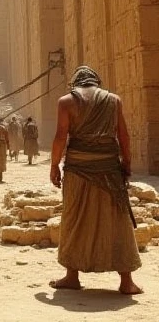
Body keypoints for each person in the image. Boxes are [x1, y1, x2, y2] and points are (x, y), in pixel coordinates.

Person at [50, 66, 142, 295]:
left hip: (77, 169)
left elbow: (61, 136)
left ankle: (72, 276)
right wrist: (127, 164)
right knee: (118, 220)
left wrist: (54, 165)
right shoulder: (113, 100)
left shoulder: (65, 102)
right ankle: (126, 281)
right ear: (96, 83)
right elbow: (123, 135)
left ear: (75, 84)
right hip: (109, 168)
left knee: (74, 217)